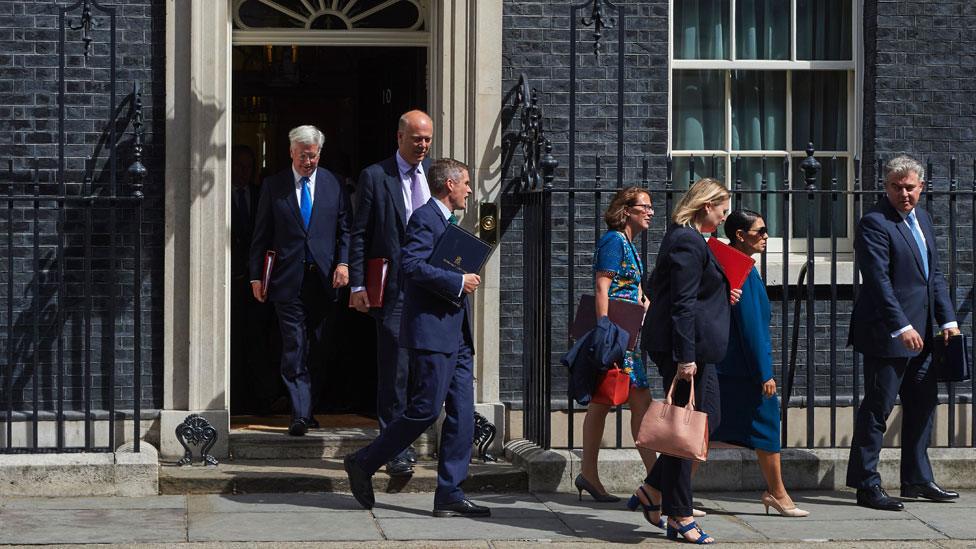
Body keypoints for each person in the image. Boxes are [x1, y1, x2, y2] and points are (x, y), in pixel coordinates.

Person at [344, 158, 491, 518]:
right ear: (450, 186)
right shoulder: (425, 218)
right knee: (425, 409)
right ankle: (363, 462)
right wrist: (458, 281)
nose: (470, 190)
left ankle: (450, 493)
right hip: (432, 331)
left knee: (462, 415)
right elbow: (411, 265)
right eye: (466, 183)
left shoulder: (449, 221)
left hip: (457, 334)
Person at [847, 155, 961, 511]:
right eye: (896, 187)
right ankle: (867, 485)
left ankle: (917, 478)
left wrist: (948, 321)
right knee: (877, 409)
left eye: (909, 187)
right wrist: (902, 326)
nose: (903, 194)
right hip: (888, 334)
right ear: (886, 187)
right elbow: (878, 282)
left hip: (926, 334)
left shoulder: (922, 219)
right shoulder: (874, 223)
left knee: (923, 405)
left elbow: (934, 276)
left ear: (921, 187)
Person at [636, 178, 737, 544]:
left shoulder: (694, 241)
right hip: (685, 350)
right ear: (706, 206)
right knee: (685, 432)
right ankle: (679, 515)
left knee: (704, 425)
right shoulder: (686, 241)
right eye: (722, 209)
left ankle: (652, 489)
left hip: (698, 348)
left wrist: (725, 292)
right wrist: (685, 358)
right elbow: (681, 304)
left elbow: (672, 289)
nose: (725, 217)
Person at [249, 125, 351, 436]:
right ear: (291, 152)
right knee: (294, 344)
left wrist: (344, 263)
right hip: (287, 279)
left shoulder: (333, 184)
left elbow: (346, 229)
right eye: (304, 155)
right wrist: (255, 275)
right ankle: (300, 413)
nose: (309, 161)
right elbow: (261, 233)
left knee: (319, 346)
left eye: (314, 155)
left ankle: (308, 406)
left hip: (324, 280)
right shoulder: (274, 186)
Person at [348, 110, 433, 477]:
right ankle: (394, 448)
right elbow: (359, 233)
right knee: (395, 371)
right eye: (417, 139)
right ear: (399, 137)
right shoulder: (375, 176)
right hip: (394, 290)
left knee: (424, 369)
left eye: (427, 139)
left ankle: (412, 439)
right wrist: (357, 283)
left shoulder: (435, 177)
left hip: (431, 289)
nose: (423, 146)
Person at [711, 210, 809, 517]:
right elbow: (753, 329)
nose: (766, 236)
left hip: (729, 369)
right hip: (745, 373)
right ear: (740, 235)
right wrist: (765, 373)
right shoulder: (743, 270)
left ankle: (660, 490)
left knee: (708, 435)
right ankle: (777, 493)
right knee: (767, 429)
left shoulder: (732, 267)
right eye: (760, 231)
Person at [574, 187, 657, 507]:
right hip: (618, 338)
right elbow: (602, 285)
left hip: (627, 335)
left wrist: (642, 299)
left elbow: (625, 286)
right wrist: (606, 330)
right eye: (644, 207)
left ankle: (589, 473)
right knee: (636, 407)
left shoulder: (627, 243)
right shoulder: (613, 241)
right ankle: (660, 486)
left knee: (604, 401)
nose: (650, 212)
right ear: (626, 210)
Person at [231, 144, 281, 415]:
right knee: (236, 341)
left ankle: (261, 399)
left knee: (258, 341)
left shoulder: (260, 194)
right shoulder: (221, 196)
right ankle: (236, 399)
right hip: (229, 282)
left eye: (248, 167)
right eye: (238, 166)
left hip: (257, 283)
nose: (242, 172)